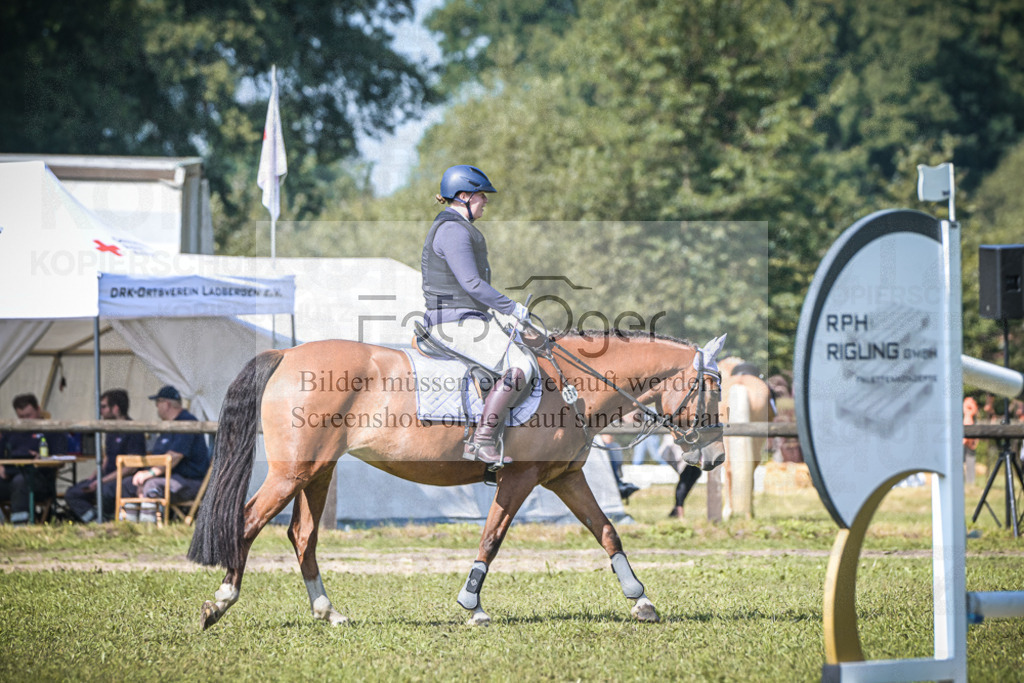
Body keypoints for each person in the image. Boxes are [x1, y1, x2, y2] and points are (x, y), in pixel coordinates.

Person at [421, 165, 535, 469]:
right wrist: (513, 308)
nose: (485, 200)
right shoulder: (454, 230)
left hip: (465, 318)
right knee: (521, 365)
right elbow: (472, 284)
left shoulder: (457, 227)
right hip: (454, 322)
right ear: (463, 196)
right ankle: (483, 440)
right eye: (481, 195)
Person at [118, 386, 209, 523]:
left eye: (157, 403)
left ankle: (148, 530)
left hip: (189, 481)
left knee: (152, 485)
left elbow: (174, 458)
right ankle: (128, 528)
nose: (157, 408)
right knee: (128, 484)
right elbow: (158, 458)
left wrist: (149, 475)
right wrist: (144, 475)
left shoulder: (187, 423)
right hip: (167, 478)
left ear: (166, 404)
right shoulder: (168, 426)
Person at [64, 389, 148, 523]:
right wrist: (93, 477)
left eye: (103, 407)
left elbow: (131, 467)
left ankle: (109, 521)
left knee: (104, 491)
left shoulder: (133, 430)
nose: (100, 411)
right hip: (106, 479)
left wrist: (101, 481)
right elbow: (107, 458)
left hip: (125, 479)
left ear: (115, 409)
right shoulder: (110, 430)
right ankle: (97, 521)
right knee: (72, 493)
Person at [0, 394, 68, 524]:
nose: (26, 420)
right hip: (10, 476)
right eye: (21, 417)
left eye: (29, 415)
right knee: (16, 481)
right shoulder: (11, 430)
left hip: (40, 481)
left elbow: (61, 460)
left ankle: (20, 527)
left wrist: (44, 459)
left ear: (38, 409)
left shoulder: (53, 430)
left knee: (20, 482)